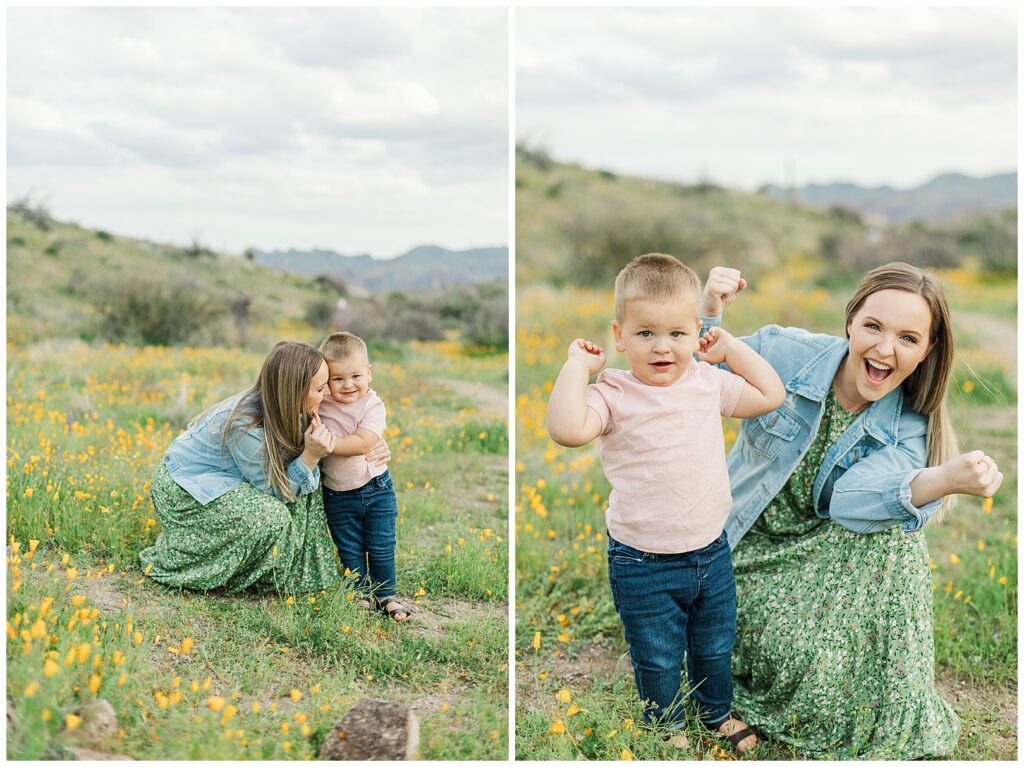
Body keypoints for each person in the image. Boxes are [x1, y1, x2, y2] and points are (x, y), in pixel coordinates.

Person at [700, 262, 1003, 759]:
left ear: (927, 350)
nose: (885, 349)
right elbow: (694, 368)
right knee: (807, 662)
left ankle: (890, 706)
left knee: (894, 533)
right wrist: (710, 309)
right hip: (742, 546)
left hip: (821, 563)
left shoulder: (909, 425)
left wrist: (941, 479)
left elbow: (850, 503)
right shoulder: (786, 352)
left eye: (908, 338)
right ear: (850, 321)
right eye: (873, 327)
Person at [546, 253, 785, 752]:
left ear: (696, 333)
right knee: (656, 655)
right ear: (619, 336)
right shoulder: (612, 391)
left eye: (677, 334)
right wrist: (576, 368)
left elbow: (771, 394)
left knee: (715, 645)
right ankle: (667, 726)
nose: (662, 347)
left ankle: (715, 712)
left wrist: (731, 348)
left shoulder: (707, 382)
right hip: (642, 559)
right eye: (645, 333)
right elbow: (567, 430)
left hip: (710, 550)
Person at [139, 340, 389, 594]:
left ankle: (288, 570)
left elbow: (342, 434)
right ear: (295, 390)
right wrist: (310, 457)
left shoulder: (295, 406)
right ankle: (201, 569)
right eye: (320, 388)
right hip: (187, 487)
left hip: (226, 480)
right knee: (268, 516)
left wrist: (370, 444)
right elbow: (277, 492)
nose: (326, 395)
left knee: (306, 480)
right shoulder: (245, 424)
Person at [316, 332, 408, 621]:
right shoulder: (321, 405)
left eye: (356, 375)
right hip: (336, 494)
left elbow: (363, 443)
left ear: (369, 372)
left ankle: (386, 595)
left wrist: (326, 443)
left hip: (376, 488)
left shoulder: (372, 405)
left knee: (381, 545)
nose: (348, 385)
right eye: (337, 378)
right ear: (325, 380)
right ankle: (360, 594)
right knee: (350, 549)